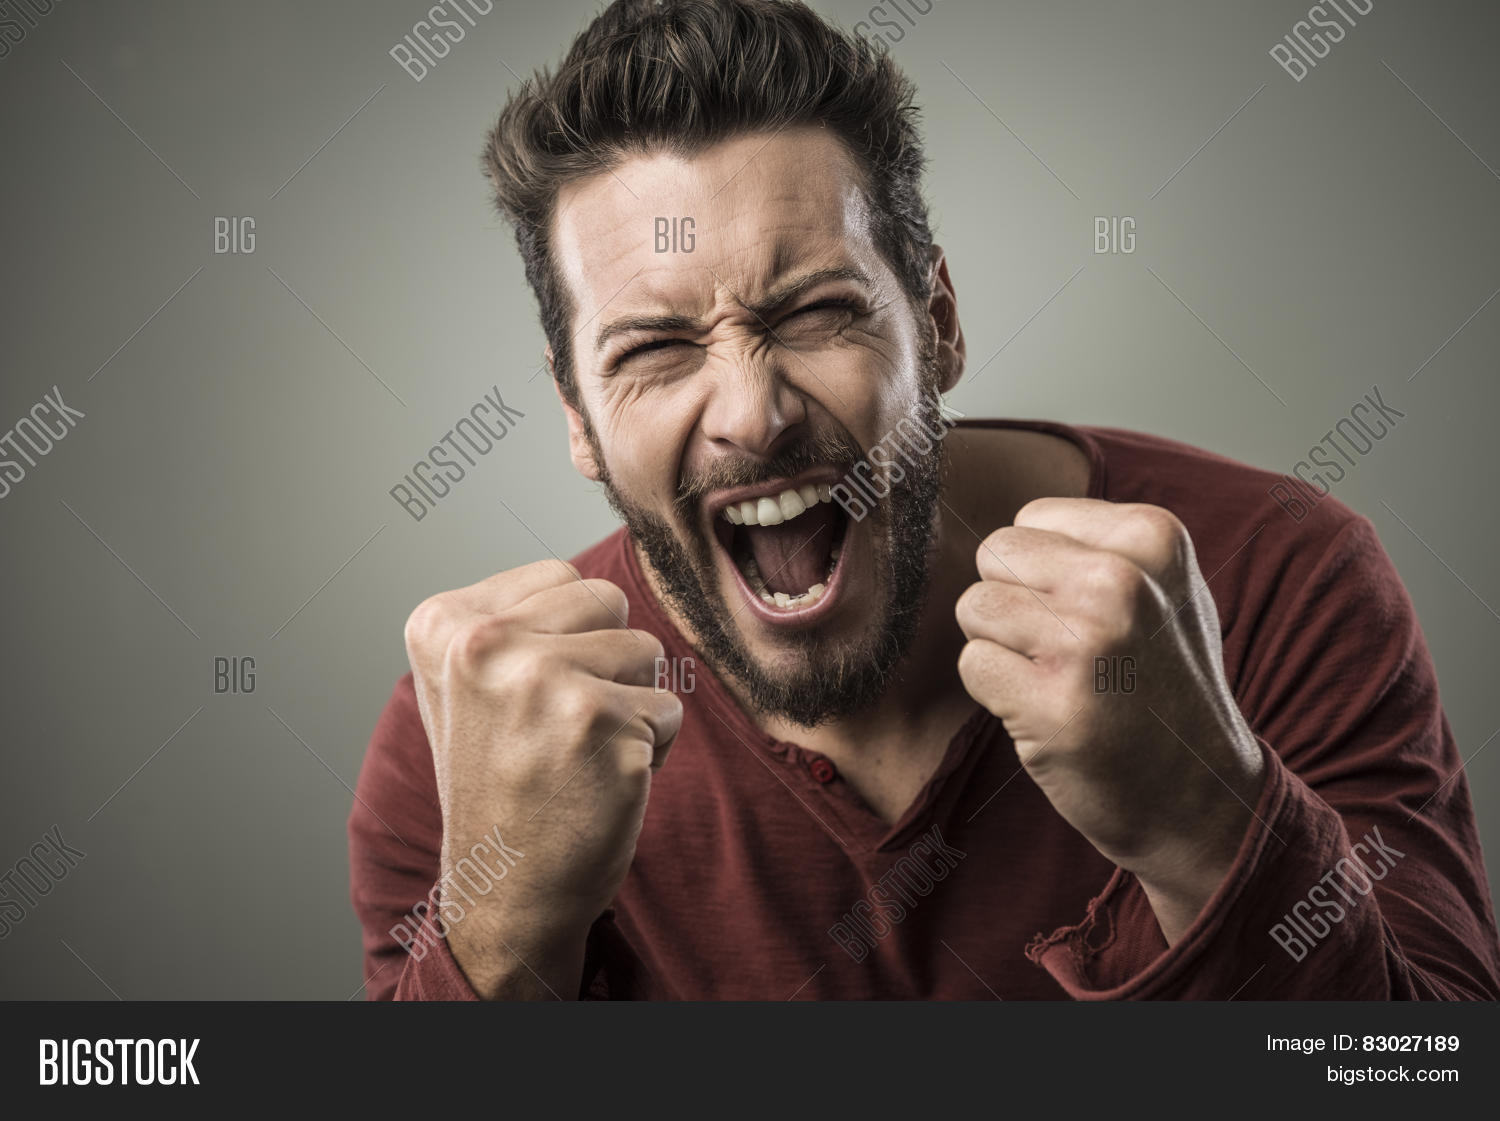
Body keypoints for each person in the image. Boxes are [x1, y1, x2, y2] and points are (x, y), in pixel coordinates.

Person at [349, 0, 1500, 999]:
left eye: (812, 311)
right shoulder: (476, 729)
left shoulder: (1277, 575)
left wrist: (1208, 823)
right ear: (575, 415)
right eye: (656, 345)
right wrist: (497, 930)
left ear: (937, 323)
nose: (752, 412)